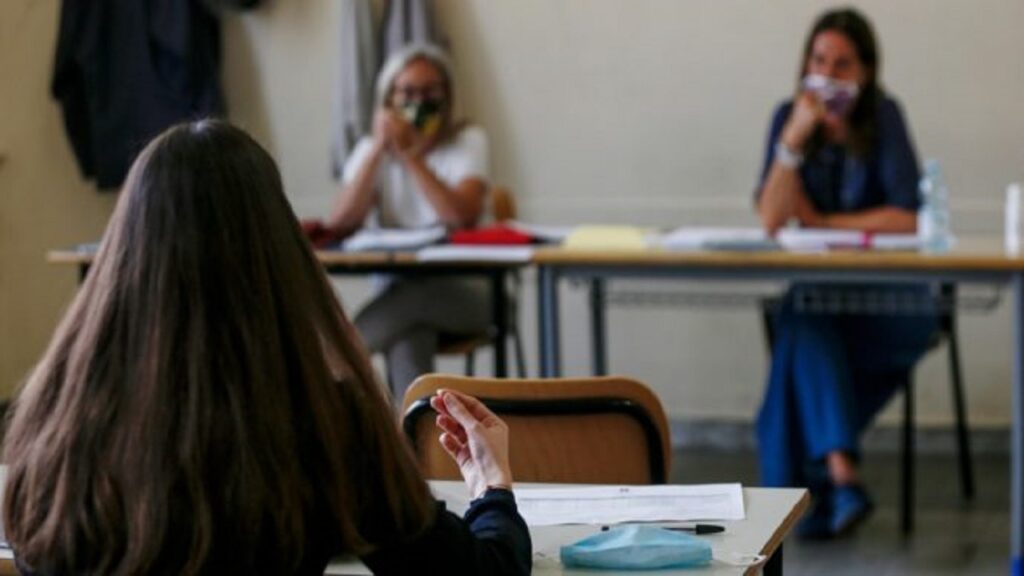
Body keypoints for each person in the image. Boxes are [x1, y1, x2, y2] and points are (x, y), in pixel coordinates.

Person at [2, 120, 530, 576]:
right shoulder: (321, 422)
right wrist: (491, 488)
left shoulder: (55, 422)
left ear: (123, 254)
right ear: (276, 255)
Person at [754, 8, 937, 538]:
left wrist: (823, 222)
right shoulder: (789, 117)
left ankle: (807, 488)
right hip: (821, 303)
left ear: (865, 71)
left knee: (797, 325)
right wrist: (792, 142)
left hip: (892, 303)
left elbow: (908, 216)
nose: (828, 74)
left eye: (842, 64)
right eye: (818, 60)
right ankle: (839, 472)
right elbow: (771, 218)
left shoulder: (884, 117)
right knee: (803, 314)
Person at [314, 43, 492, 401]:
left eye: (430, 92)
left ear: (447, 95)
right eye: (407, 92)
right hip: (399, 296)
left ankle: (329, 364)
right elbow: (341, 222)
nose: (419, 101)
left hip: (471, 294)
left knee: (414, 298)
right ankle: (417, 449)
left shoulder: (467, 141)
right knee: (408, 338)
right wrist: (379, 150)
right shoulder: (372, 149)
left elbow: (461, 216)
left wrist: (412, 154)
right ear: (388, 99)